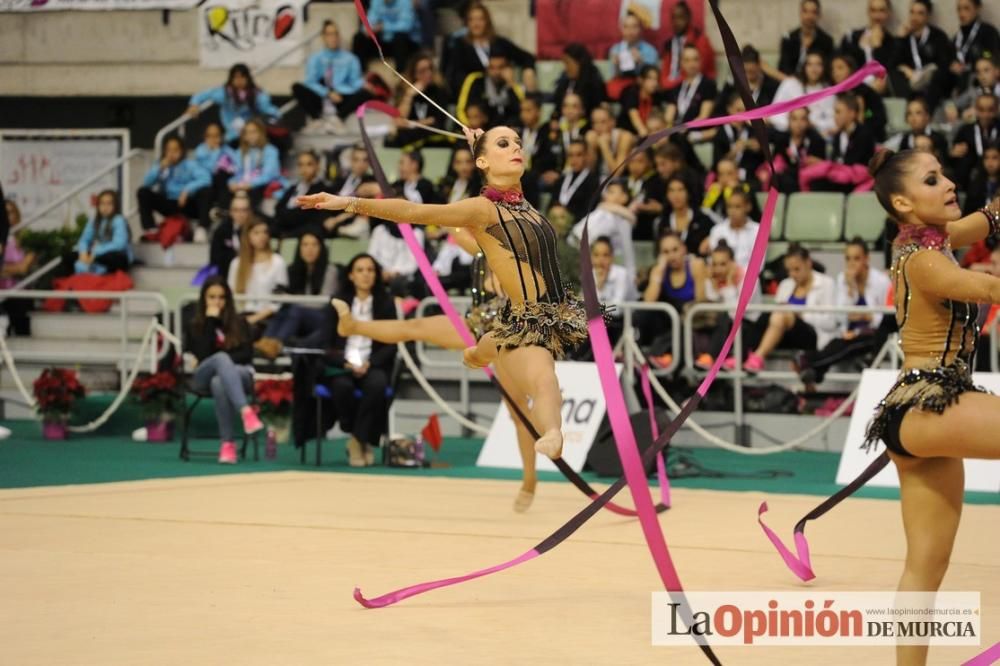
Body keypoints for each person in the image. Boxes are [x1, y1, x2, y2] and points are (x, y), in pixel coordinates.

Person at [299, 124, 590, 466]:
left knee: (545, 379)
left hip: (550, 312)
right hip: (521, 317)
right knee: (537, 374)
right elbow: (413, 212)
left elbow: (503, 179)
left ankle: (551, 430)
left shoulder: (523, 201)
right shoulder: (482, 211)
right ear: (483, 163)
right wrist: (348, 202)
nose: (516, 148)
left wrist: (478, 145)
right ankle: (483, 356)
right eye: (503, 143)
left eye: (517, 142)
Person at [851, 149, 1000, 666]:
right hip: (929, 400)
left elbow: (984, 221)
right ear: (903, 203)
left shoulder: (931, 240)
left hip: (918, 417)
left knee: (925, 567)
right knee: (924, 566)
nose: (950, 183)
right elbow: (984, 286)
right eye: (932, 179)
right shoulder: (925, 260)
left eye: (945, 174)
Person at [327, 254, 399, 467]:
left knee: (377, 385)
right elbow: (327, 341)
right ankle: (359, 436)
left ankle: (357, 441)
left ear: (376, 275)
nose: (366, 274)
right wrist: (345, 363)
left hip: (373, 362)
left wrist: (370, 363)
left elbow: (392, 341)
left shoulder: (386, 302)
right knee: (341, 386)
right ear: (351, 275)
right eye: (360, 270)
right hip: (343, 364)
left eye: (370, 270)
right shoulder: (337, 302)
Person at [185, 276, 264, 464]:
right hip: (203, 376)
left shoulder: (240, 323)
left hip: (240, 374)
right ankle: (246, 411)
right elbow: (204, 356)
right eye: (211, 297)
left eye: (221, 297)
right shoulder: (194, 326)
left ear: (228, 300)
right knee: (219, 360)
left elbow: (246, 354)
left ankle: (227, 445)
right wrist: (211, 322)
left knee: (219, 381)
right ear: (204, 298)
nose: (216, 302)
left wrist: (224, 365)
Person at [795, 237, 892, 388]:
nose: (852, 263)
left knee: (847, 345)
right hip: (848, 333)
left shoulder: (881, 281)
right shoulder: (842, 279)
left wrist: (868, 317)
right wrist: (850, 287)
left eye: (857, 258)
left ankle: (811, 362)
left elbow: (887, 318)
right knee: (840, 343)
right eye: (848, 259)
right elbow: (840, 317)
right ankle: (817, 369)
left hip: (874, 335)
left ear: (867, 258)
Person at [738, 243, 838, 373]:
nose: (793, 274)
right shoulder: (785, 284)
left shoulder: (827, 284)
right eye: (789, 270)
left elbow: (831, 323)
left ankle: (758, 357)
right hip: (786, 334)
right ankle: (741, 356)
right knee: (760, 318)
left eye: (797, 269)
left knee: (782, 313)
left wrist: (801, 315)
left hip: (811, 335)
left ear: (808, 263)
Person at [255, 230, 338, 358]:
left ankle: (275, 345)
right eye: (305, 245)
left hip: (322, 318)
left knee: (294, 309)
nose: (309, 249)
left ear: (321, 248)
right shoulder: (292, 270)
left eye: (314, 245)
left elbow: (322, 302)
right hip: (298, 316)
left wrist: (290, 299)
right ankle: (265, 342)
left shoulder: (330, 270)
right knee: (283, 310)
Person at [640, 230, 706, 367]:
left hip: (690, 321)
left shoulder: (696, 266)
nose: (672, 255)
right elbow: (647, 303)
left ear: (684, 249)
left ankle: (657, 354)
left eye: (675, 250)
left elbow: (701, 302)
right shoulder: (659, 270)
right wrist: (660, 270)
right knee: (643, 314)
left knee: (682, 324)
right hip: (666, 324)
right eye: (666, 252)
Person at [441, 2, 537, 96]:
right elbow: (456, 76)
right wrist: (486, 77)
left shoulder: (499, 43)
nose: (476, 24)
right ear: (467, 22)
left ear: (487, 21)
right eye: (472, 20)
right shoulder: (460, 46)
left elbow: (527, 57)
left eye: (480, 19)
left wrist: (528, 70)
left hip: (502, 96)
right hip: (475, 97)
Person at [293, 20, 370, 133]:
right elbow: (310, 81)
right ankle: (316, 120)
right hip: (322, 94)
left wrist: (363, 83)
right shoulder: (315, 58)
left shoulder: (351, 58)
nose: (333, 37)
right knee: (297, 87)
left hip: (342, 94)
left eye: (335, 33)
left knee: (365, 93)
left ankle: (338, 118)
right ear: (323, 37)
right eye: (329, 34)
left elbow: (354, 81)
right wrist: (327, 93)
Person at [137, 135, 213, 239]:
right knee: (143, 192)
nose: (172, 153)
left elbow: (206, 179)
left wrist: (187, 190)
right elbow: (146, 183)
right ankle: (150, 229)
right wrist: (159, 168)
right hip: (169, 203)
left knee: (206, 191)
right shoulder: (161, 165)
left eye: (175, 149)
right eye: (169, 150)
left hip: (186, 203)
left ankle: (202, 228)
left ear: (182, 151)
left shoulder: (190, 165)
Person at [187, 64, 280, 145]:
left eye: (243, 77)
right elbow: (205, 94)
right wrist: (194, 104)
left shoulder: (256, 94)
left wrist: (276, 115)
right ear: (231, 79)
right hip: (233, 135)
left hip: (251, 132)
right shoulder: (225, 93)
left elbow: (267, 108)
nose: (239, 81)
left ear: (248, 78)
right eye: (236, 77)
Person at [889, 0, 955, 110]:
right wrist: (899, 39)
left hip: (930, 79)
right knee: (894, 74)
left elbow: (944, 63)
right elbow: (891, 64)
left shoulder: (938, 36)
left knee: (938, 75)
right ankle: (910, 107)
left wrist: (925, 72)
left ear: (928, 16)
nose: (915, 17)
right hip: (911, 79)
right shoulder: (904, 37)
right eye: (912, 12)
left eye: (920, 13)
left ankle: (927, 110)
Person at [227, 218, 288, 334]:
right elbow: (231, 294)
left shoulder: (277, 262)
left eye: (265, 232)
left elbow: (278, 300)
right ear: (248, 236)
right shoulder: (236, 264)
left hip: (268, 318)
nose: (262, 236)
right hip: (242, 316)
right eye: (256, 232)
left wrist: (255, 318)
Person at [569, 179, 637, 283]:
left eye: (611, 192)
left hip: (603, 267)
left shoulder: (622, 221)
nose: (606, 195)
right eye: (607, 192)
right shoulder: (601, 211)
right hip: (577, 254)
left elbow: (627, 249)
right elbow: (577, 234)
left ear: (624, 197)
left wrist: (631, 276)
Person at [388, 51, 452, 149]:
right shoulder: (404, 90)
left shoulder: (439, 90)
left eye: (430, 69)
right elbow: (399, 120)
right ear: (414, 73)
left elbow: (437, 121)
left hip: (432, 134)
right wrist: (409, 95)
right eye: (422, 71)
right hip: (410, 134)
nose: (428, 73)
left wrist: (410, 124)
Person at [770, 50, 835, 134]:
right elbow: (774, 112)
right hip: (787, 134)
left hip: (816, 136)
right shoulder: (790, 83)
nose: (814, 69)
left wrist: (813, 124)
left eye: (818, 64)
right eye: (810, 64)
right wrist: (794, 125)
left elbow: (833, 121)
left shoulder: (828, 91)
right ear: (804, 67)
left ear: (824, 67)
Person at [223, 119, 282, 212]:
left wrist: (251, 184)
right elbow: (237, 173)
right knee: (226, 190)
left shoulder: (270, 150)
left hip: (262, 184)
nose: (250, 136)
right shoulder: (240, 152)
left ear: (261, 132)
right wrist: (232, 183)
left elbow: (269, 175)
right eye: (247, 133)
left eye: (253, 132)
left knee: (252, 193)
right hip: (244, 184)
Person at [272, 150, 331, 239]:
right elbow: (278, 208)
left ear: (317, 166)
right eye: (301, 165)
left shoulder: (321, 190)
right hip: (283, 226)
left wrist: (285, 215)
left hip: (301, 231)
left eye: (309, 164)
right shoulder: (294, 187)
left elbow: (302, 215)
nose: (304, 169)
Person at [71, 190, 132, 276]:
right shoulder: (94, 220)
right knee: (70, 256)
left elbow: (119, 244)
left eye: (109, 204)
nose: (105, 207)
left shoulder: (118, 220)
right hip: (98, 254)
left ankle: (94, 270)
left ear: (116, 206)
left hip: (116, 254)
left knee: (112, 258)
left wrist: (96, 252)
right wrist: (83, 253)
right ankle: (89, 269)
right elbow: (84, 240)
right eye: (102, 203)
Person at [840, 0, 897, 91]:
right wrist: (860, 48)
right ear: (868, 12)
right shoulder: (853, 37)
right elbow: (848, 66)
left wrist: (878, 47)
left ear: (888, 13)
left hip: (881, 89)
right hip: (855, 88)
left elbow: (888, 70)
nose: (877, 16)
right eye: (873, 10)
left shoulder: (892, 42)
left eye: (881, 10)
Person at [771, 0, 835, 80]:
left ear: (819, 15)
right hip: (790, 83)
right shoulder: (788, 39)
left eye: (814, 12)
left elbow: (827, 70)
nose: (809, 16)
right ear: (800, 14)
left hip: (816, 85)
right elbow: (783, 67)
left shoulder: (826, 41)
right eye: (805, 11)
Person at [660, 0, 716, 90]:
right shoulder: (669, 43)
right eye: (673, 18)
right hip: (670, 87)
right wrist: (664, 83)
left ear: (688, 17)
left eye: (680, 17)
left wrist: (671, 84)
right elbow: (665, 71)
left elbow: (696, 70)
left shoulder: (700, 40)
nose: (676, 22)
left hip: (694, 87)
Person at [457, 53, 523, 128]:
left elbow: (521, 111)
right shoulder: (476, 81)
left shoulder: (512, 85)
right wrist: (469, 126)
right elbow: (461, 110)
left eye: (501, 67)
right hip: (479, 131)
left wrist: (511, 84)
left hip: (505, 132)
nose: (496, 72)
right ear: (487, 68)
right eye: (492, 68)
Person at [772, 107, 827, 193]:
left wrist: (817, 163)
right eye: (794, 119)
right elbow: (775, 164)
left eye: (803, 119)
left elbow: (822, 167)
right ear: (789, 121)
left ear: (808, 122)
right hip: (785, 182)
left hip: (809, 183)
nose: (798, 124)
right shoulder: (781, 141)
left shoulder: (817, 141)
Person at [948, 0, 1000, 91]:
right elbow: (951, 58)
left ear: (977, 9)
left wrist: (972, 64)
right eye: (959, 9)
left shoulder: (988, 32)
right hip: (958, 79)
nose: (962, 13)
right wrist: (953, 65)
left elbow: (990, 55)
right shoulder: (957, 38)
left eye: (966, 8)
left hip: (978, 77)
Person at [950, 92, 999, 185]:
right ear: (976, 109)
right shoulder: (965, 131)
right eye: (981, 110)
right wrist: (953, 153)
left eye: (990, 110)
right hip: (971, 182)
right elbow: (954, 158)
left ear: (997, 110)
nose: (985, 114)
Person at [660, 175, 716, 257]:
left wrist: (711, 239)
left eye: (680, 190)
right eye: (671, 190)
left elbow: (722, 230)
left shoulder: (703, 219)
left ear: (688, 192)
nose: (676, 195)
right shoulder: (662, 223)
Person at [354, 0, 419, 68]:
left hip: (401, 44)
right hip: (382, 44)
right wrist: (367, 30)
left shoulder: (405, 2)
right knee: (359, 37)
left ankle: (401, 73)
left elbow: (406, 26)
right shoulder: (376, 1)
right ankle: (361, 72)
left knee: (400, 37)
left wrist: (383, 27)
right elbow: (369, 21)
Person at [664, 45, 716, 127]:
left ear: (700, 61)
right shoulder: (677, 87)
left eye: (695, 59)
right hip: (675, 132)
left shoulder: (708, 85)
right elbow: (669, 116)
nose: (691, 64)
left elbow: (704, 116)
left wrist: (685, 128)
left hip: (695, 133)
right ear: (681, 63)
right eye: (687, 60)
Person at [551, 43, 606, 119]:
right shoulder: (564, 81)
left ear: (580, 63)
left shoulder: (593, 84)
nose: (566, 68)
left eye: (568, 63)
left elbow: (594, 111)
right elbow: (557, 108)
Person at [552, 139, 599, 223]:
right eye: (570, 155)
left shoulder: (593, 182)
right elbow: (551, 204)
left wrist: (565, 214)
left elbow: (589, 212)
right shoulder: (561, 180)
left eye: (579, 155)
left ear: (586, 156)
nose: (574, 159)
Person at [209, 192, 253, 279]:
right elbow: (215, 259)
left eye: (244, 210)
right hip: (227, 275)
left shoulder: (256, 229)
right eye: (236, 210)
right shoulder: (221, 231)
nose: (240, 214)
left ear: (250, 211)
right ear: (231, 212)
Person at [585, 105, 636, 179]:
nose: (598, 126)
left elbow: (617, 174)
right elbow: (588, 172)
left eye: (603, 122)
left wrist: (604, 146)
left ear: (613, 122)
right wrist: (591, 148)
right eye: (594, 123)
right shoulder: (592, 137)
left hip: (622, 182)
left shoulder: (624, 137)